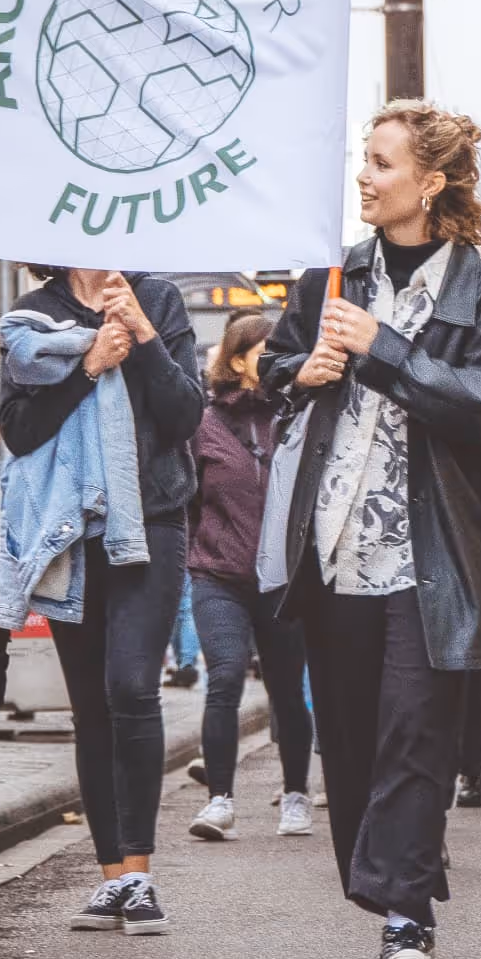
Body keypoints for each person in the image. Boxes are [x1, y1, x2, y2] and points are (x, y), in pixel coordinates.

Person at [265, 101, 481, 959]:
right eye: (364, 158)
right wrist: (299, 372)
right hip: (335, 549)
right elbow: (272, 369)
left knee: (415, 734)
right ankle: (387, 884)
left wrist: (385, 350)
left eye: (381, 162)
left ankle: (406, 917)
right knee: (348, 739)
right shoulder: (330, 279)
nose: (364, 175)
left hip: (435, 556)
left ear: (432, 181)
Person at [0, 264, 205, 935]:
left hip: (151, 521)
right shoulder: (32, 314)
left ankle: (140, 874)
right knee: (91, 705)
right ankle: (112, 876)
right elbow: (20, 431)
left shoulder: (158, 298)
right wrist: (85, 365)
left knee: (132, 686)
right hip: (69, 531)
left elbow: (183, 416)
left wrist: (143, 336)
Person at [182, 310, 316, 842]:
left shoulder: (299, 416)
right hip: (218, 575)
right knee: (226, 678)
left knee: (287, 692)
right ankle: (220, 801)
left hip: (281, 580)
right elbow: (188, 501)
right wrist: (202, 550)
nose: (280, 361)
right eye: (267, 351)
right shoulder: (203, 424)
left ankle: (297, 796)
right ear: (237, 361)